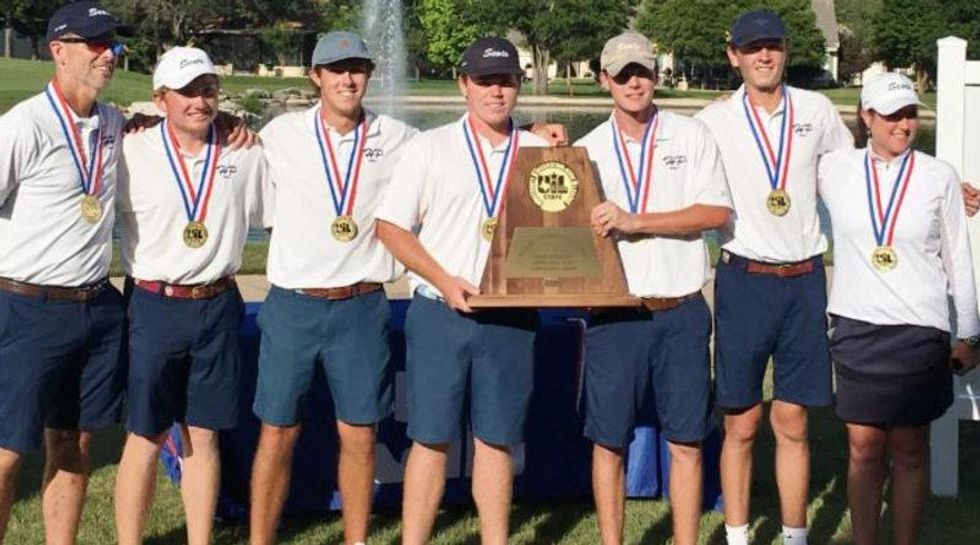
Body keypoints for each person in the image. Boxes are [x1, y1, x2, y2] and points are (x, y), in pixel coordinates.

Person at [374, 36, 548, 544]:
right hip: (440, 314)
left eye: (507, 80)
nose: (497, 91)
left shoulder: (542, 153)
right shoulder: (429, 148)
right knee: (430, 439)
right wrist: (442, 279)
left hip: (511, 316)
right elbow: (391, 228)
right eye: (485, 81)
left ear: (518, 85)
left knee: (498, 440)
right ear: (463, 85)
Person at [249, 32, 417, 545]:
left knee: (360, 432)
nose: (348, 79)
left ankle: (357, 539)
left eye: (358, 69)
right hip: (292, 305)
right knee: (278, 431)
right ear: (315, 77)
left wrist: (530, 131)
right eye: (336, 69)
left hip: (361, 304)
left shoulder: (400, 138)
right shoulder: (278, 134)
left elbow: (464, 147)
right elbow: (212, 136)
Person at [694, 10, 854, 545]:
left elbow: (855, 184)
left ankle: (794, 536)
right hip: (743, 280)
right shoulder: (711, 122)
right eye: (752, 47)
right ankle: (738, 535)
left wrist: (951, 193)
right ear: (733, 56)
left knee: (792, 421)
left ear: (785, 51)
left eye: (774, 46)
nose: (765, 55)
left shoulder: (818, 110)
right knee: (740, 423)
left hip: (805, 280)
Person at [577, 32, 732, 545]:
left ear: (656, 75)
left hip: (682, 310)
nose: (634, 82)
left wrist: (636, 221)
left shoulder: (691, 137)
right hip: (616, 315)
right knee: (609, 441)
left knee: (686, 440)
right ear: (605, 81)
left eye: (641, 71)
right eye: (622, 75)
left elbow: (715, 212)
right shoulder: (587, 152)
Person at [112, 46, 271, 545]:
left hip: (218, 303)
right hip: (154, 304)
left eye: (207, 91)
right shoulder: (129, 149)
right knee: (145, 434)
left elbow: (275, 214)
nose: (199, 102)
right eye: (185, 92)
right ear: (161, 100)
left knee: (203, 432)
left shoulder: (245, 152)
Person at [818, 72, 980, 545]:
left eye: (909, 114)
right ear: (866, 117)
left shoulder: (938, 175)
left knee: (910, 449)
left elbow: (959, 260)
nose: (903, 125)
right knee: (863, 448)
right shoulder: (834, 169)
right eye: (891, 115)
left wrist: (969, 333)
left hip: (918, 329)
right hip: (856, 325)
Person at [0, 3, 128, 543]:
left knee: (73, 442)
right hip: (29, 307)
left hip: (96, 306)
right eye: (95, 44)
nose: (109, 54)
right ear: (59, 50)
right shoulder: (22, 126)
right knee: (7, 453)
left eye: (112, 44)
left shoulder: (115, 121)